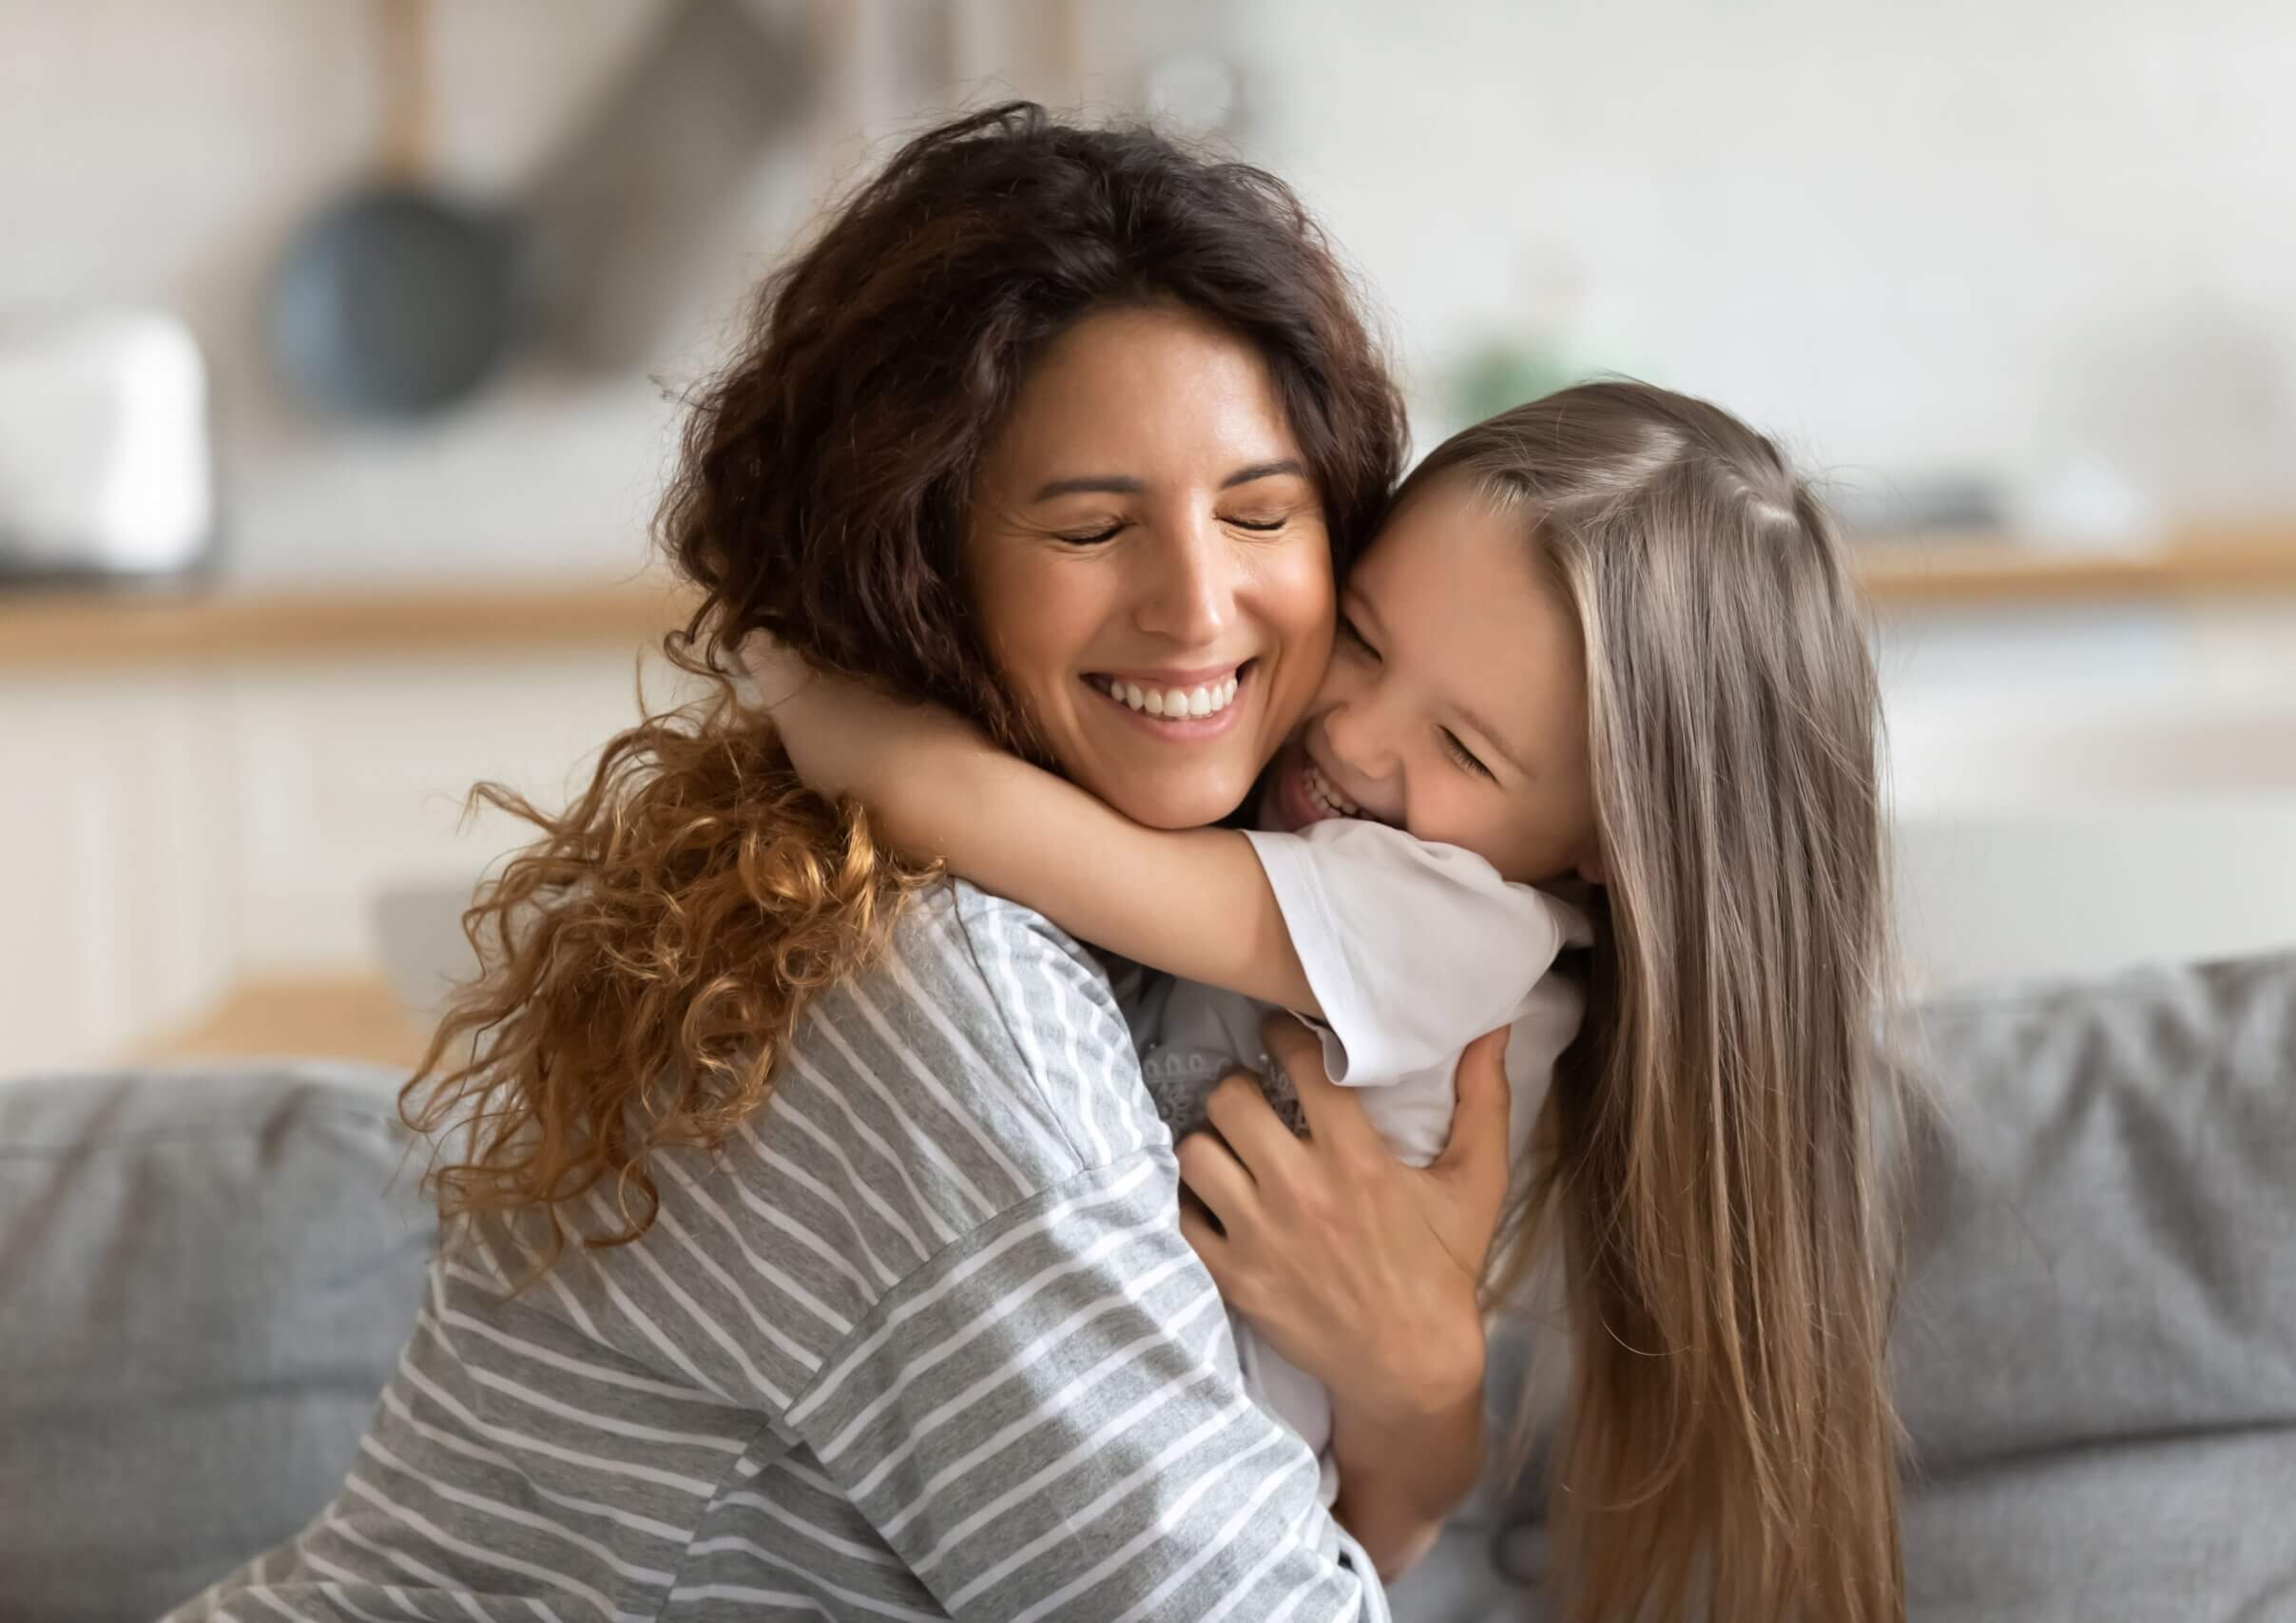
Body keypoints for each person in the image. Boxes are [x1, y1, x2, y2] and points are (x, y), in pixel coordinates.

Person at [164, 104, 1487, 1623]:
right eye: (1090, 528)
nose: (1198, 608)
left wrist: (1415, 1393)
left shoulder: (1078, 934)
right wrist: (1426, 1401)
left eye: (1262, 512)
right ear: (921, 559)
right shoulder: (940, 1000)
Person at [750, 380, 1912, 1623]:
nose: (1355, 737)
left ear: (1605, 849)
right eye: (1360, 637)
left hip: (1206, 1487)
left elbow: (1017, 836)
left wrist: (806, 692)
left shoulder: (1457, 927)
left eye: (1465, 751)